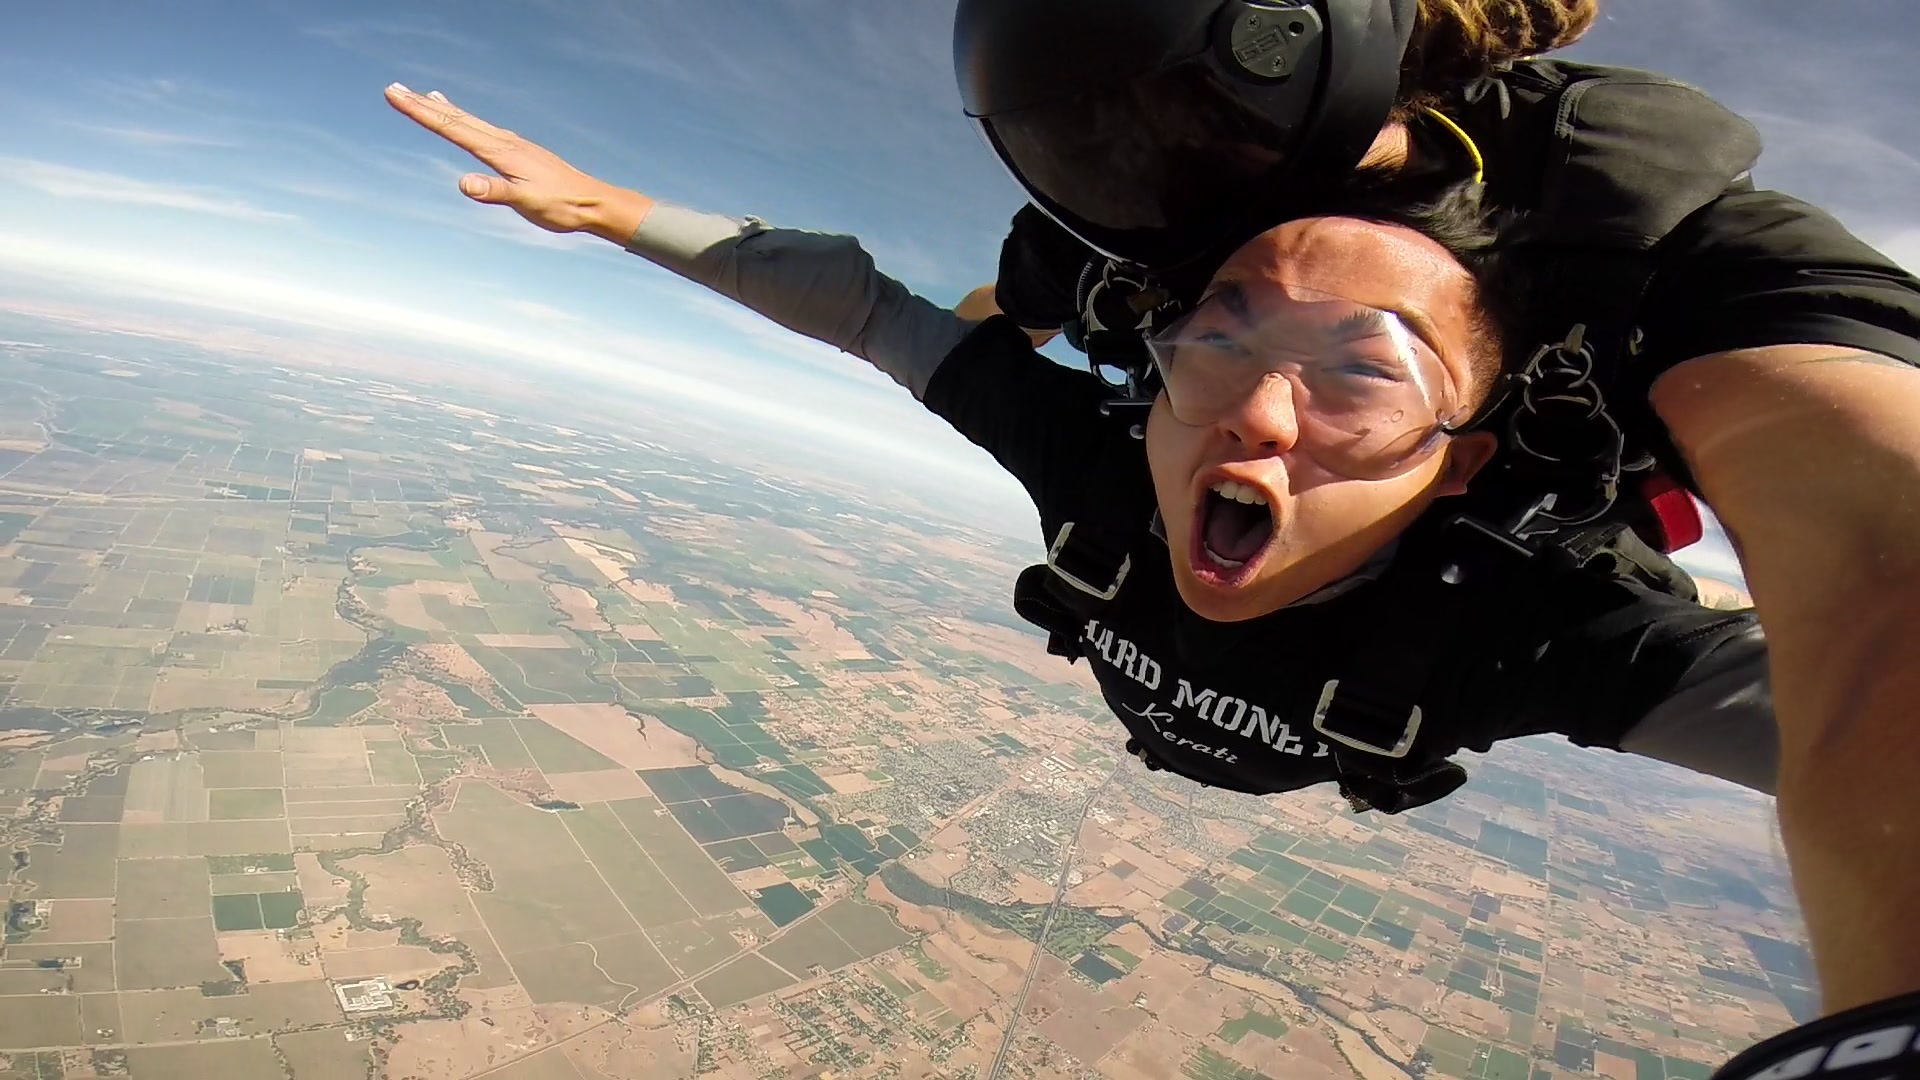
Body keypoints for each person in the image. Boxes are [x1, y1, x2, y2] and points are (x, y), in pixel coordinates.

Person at [382, 84, 1916, 1080]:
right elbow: (869, 309)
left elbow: (1871, 700)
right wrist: (611, 213)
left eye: (1358, 380)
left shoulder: (1525, 629)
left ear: (1461, 460)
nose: (1254, 412)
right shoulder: (1113, 465)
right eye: (1223, 336)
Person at [952, 0, 1920, 1032]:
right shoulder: (1141, 209)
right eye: (1088, 140)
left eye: (1186, 118)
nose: (1150, 161)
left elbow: (1880, 584)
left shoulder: (1663, 237)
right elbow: (973, 326)